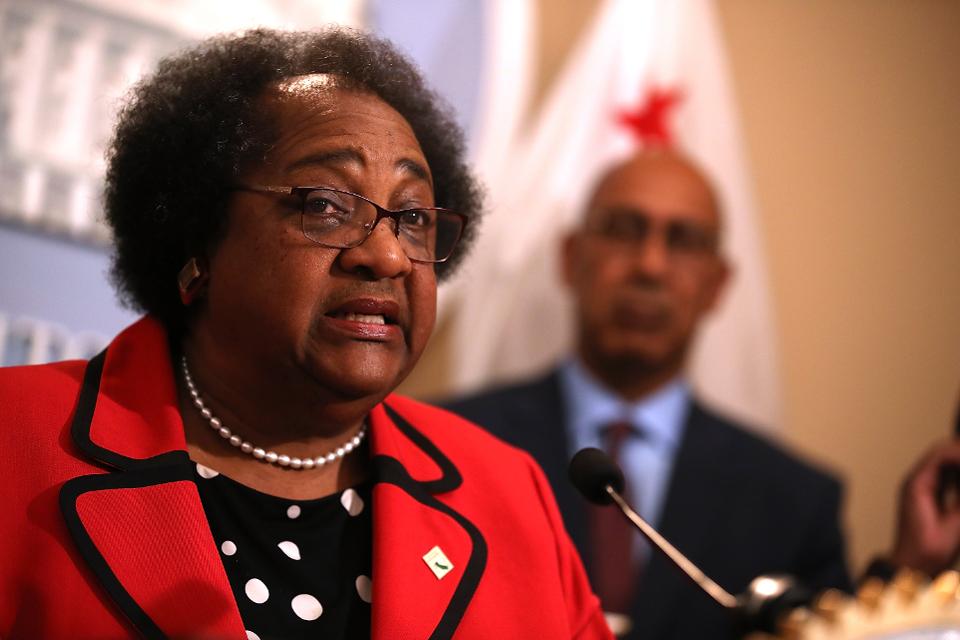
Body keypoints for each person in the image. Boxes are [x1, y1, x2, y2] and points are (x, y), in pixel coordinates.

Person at [0, 29, 612, 639]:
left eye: (415, 218)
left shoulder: (507, 495)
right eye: (324, 205)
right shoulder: (16, 441)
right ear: (199, 238)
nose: (388, 257)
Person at [444, 150, 851, 639]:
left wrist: (911, 569)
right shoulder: (450, 446)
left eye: (683, 240)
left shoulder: (794, 501)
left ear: (717, 285)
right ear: (571, 258)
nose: (650, 265)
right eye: (623, 229)